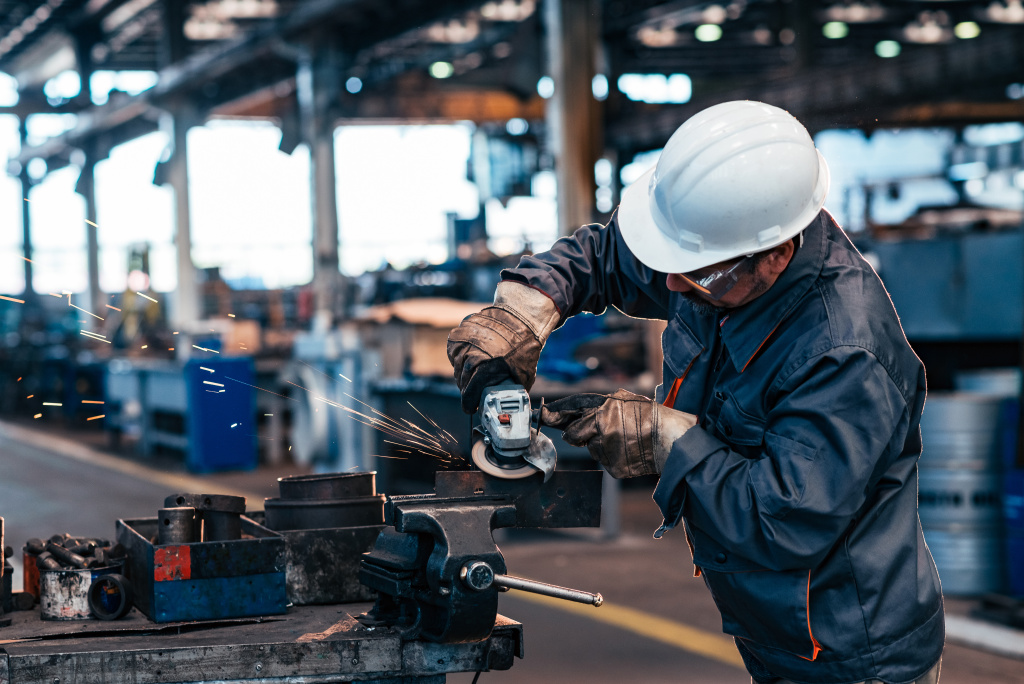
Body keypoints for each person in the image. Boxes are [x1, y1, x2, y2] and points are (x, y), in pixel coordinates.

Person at [447, 101, 943, 684]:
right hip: (772, 628)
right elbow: (605, 256)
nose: (671, 284)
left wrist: (665, 440)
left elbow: (782, 521)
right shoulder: (718, 256)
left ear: (777, 255)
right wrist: (524, 308)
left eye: (694, 272)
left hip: (849, 655)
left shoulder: (842, 353)